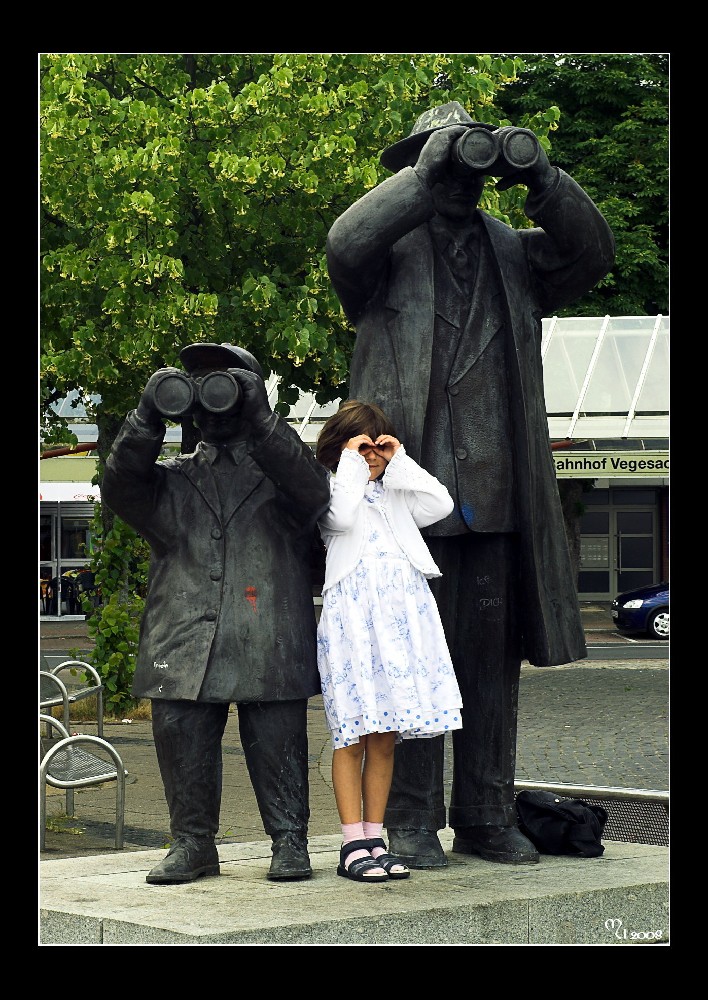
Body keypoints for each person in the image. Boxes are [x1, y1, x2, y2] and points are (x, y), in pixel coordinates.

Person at [326, 101, 616, 869]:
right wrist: (423, 177)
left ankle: (486, 813)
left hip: (493, 494)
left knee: (489, 663)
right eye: (441, 160)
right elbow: (342, 241)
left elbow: (592, 254)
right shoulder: (384, 257)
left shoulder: (514, 254)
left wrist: (543, 176)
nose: (459, 175)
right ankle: (413, 820)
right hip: (405, 503)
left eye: (467, 162)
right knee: (409, 660)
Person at [102, 342, 331, 884]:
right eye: (198, 387)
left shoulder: (283, 472)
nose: (211, 401)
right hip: (182, 637)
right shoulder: (170, 480)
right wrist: (146, 415)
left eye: (223, 385)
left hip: (266, 631)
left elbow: (315, 493)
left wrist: (262, 418)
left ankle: (289, 840)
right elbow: (118, 486)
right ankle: (192, 843)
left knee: (277, 736)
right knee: (182, 732)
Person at [315, 400, 463, 882]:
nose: (371, 454)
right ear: (340, 448)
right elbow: (337, 520)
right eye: (361, 444)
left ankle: (375, 836)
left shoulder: (397, 491)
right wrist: (351, 464)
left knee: (384, 737)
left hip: (402, 620)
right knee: (351, 733)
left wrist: (398, 460)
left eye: (376, 445)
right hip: (354, 621)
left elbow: (440, 503)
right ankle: (351, 843)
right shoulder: (332, 489)